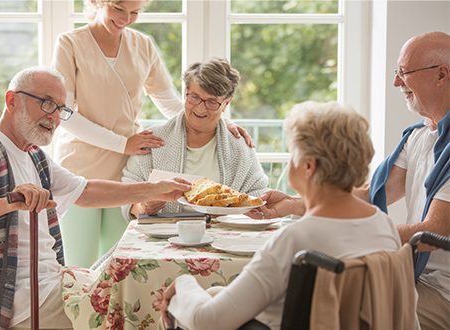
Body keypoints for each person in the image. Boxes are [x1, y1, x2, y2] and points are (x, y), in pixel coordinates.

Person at [0, 67, 191, 330]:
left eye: (60, 109)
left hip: (51, 282)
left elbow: (85, 191)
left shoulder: (32, 154)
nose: (54, 116)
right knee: (138, 306)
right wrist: (7, 202)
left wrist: (155, 189)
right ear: (11, 100)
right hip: (16, 303)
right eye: (47, 103)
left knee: (140, 287)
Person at [252, 32, 450, 330]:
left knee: (328, 314)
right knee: (302, 302)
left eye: (403, 73)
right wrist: (293, 205)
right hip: (411, 277)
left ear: (441, 75)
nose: (396, 83)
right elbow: (372, 193)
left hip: (442, 291)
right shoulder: (421, 135)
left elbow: (433, 232)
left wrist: (351, 233)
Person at [159, 101, 403, 329]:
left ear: (309, 166)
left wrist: (183, 283)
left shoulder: (296, 240)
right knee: (213, 295)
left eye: (292, 154)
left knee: (190, 305)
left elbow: (208, 321)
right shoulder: (384, 225)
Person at [51, 0, 253, 267]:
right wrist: (122, 143)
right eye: (119, 10)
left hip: (124, 170)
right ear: (99, 3)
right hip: (81, 166)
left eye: (135, 12)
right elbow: (64, 112)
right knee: (79, 264)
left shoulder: (142, 44)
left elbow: (167, 99)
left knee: (117, 263)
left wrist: (220, 122)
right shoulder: (70, 43)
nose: (126, 19)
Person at [121, 58, 268, 219]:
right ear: (185, 93)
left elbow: (258, 194)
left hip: (222, 237)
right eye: (195, 97)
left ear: (226, 103)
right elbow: (127, 196)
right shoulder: (151, 141)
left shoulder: (239, 146)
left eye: (212, 102)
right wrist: (144, 206)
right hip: (162, 238)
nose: (200, 108)